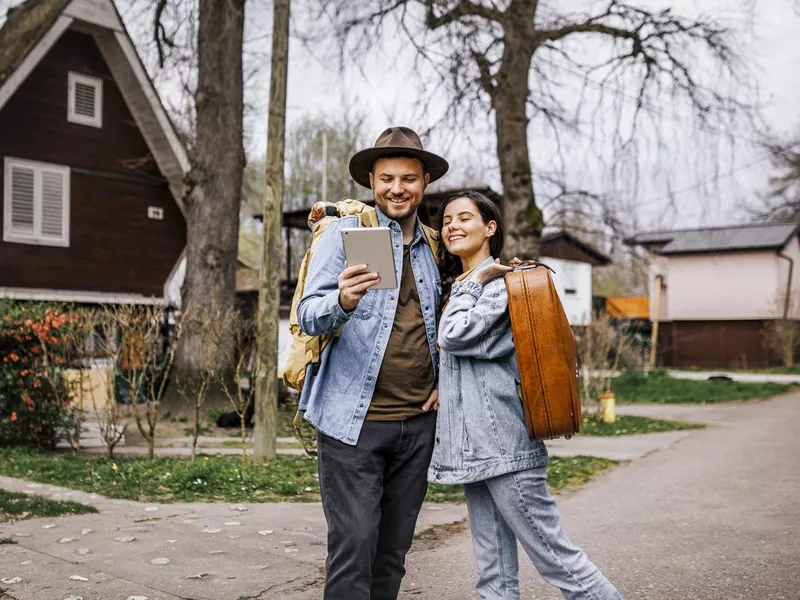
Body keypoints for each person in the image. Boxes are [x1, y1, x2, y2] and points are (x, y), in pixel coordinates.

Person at [429, 190, 622, 600]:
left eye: (464, 218)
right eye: (446, 220)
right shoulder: (459, 287)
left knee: (558, 559)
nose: (452, 227)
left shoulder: (502, 286)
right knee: (493, 570)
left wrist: (477, 280)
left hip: (506, 447)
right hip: (476, 451)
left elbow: (454, 335)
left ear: (490, 228)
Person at [297, 126, 448, 600]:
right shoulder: (345, 234)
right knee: (354, 546)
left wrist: (447, 382)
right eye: (386, 178)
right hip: (352, 423)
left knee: (393, 552)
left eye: (407, 178)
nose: (396, 188)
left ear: (424, 181)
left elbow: (444, 327)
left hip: (417, 426)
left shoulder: (434, 246)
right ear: (371, 180)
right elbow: (306, 315)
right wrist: (340, 299)